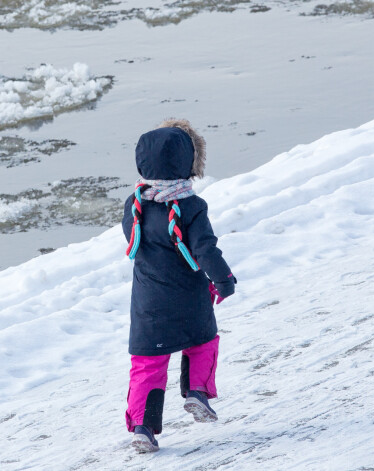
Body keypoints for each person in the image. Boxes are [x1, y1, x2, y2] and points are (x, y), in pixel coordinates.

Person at [122, 118, 236, 453]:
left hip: (147, 304)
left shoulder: (135, 204)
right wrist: (223, 280)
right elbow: (205, 250)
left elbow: (133, 240)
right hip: (189, 297)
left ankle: (144, 427)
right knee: (203, 342)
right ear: (189, 164)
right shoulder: (192, 206)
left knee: (148, 365)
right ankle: (197, 392)